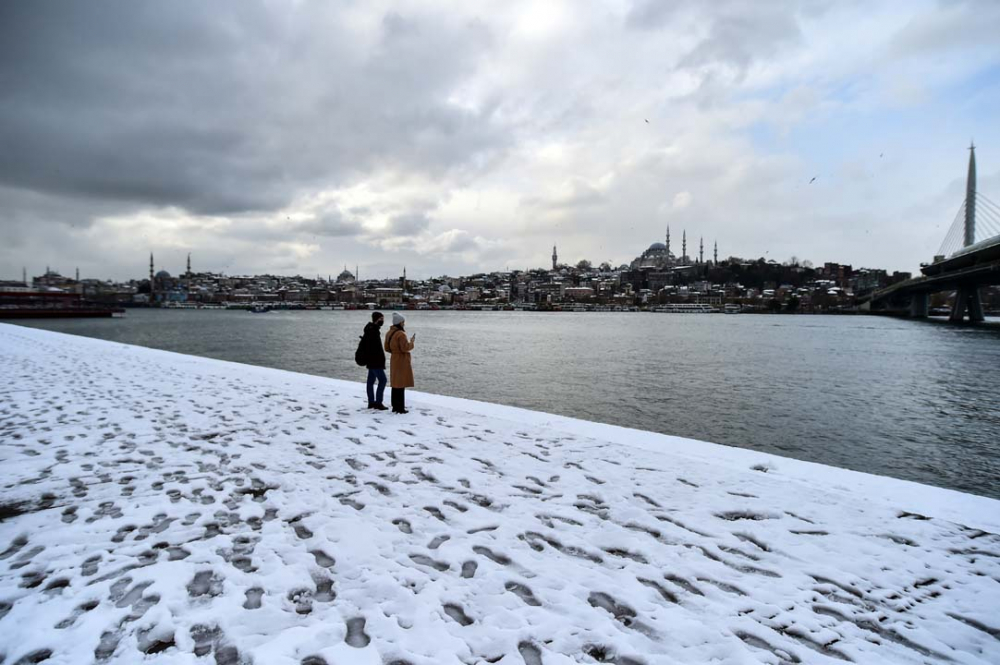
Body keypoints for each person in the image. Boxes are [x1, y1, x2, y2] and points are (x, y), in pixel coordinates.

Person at [384, 312, 415, 414]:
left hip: (394, 358)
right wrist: (412, 342)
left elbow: (386, 348)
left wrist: (395, 352)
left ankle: (395, 406)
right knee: (401, 384)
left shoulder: (389, 332)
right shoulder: (401, 334)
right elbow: (405, 348)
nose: (404, 324)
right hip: (401, 360)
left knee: (395, 384)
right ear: (400, 322)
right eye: (403, 322)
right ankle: (400, 408)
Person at [361, 311, 388, 410]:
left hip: (371, 361)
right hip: (375, 361)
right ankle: (378, 402)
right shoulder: (373, 331)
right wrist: (379, 360)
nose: (383, 321)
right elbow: (374, 348)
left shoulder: (370, 329)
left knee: (370, 382)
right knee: (383, 380)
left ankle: (371, 402)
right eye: (381, 319)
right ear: (377, 319)